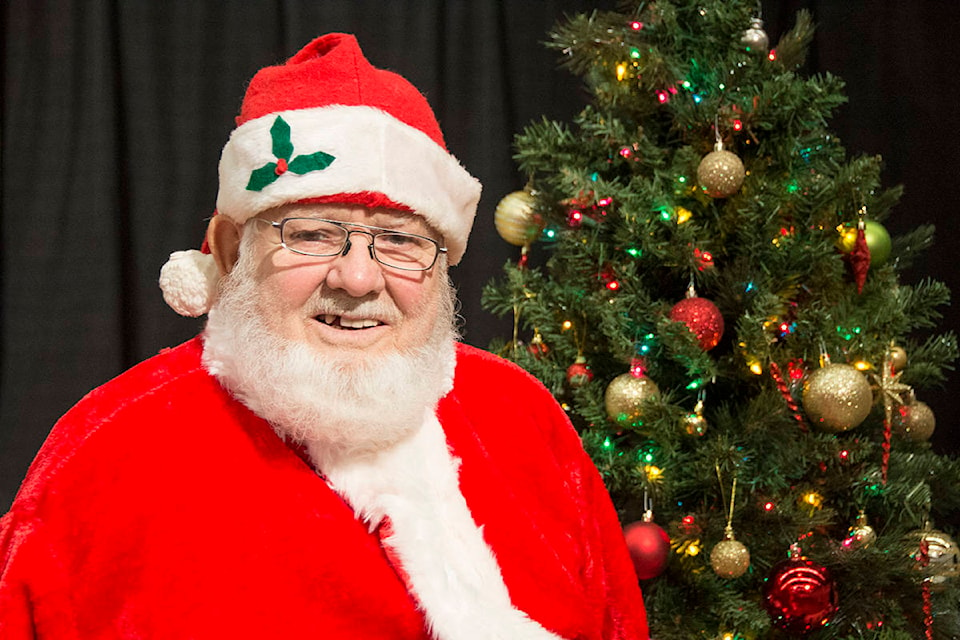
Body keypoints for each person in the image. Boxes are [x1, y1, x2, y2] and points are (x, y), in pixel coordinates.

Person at [0, 33, 649, 639]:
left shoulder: (523, 419)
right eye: (311, 234)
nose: (359, 276)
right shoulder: (104, 457)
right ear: (230, 248)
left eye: (399, 240)